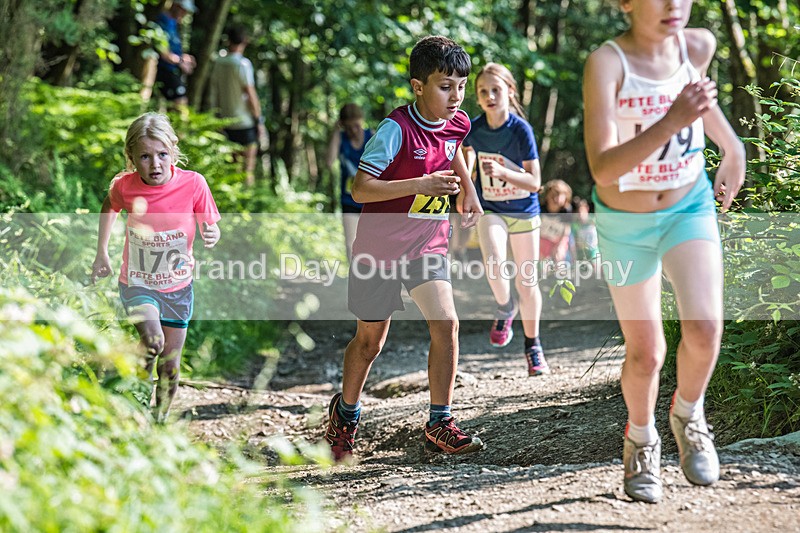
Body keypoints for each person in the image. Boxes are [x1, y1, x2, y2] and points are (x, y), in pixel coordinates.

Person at [583, 0, 745, 503]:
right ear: (626, 3)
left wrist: (732, 145)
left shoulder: (695, 45)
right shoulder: (607, 63)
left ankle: (689, 414)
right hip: (624, 223)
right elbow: (602, 168)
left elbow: (701, 101)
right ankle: (641, 439)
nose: (674, 4)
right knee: (647, 352)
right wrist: (673, 120)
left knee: (705, 328)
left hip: (687, 207)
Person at [323, 35, 484, 461]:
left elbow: (453, 149)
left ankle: (439, 422)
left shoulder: (458, 122)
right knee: (370, 342)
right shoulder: (395, 130)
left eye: (461, 86)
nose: (456, 96)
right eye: (445, 87)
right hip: (379, 249)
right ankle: (345, 416)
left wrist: (469, 189)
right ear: (418, 86)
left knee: (446, 323)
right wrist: (420, 185)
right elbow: (360, 189)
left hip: (428, 243)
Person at [91, 112, 221, 423]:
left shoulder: (194, 184)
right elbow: (109, 206)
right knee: (153, 341)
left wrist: (213, 233)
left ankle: (159, 420)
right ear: (132, 157)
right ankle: (135, 410)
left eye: (162, 154)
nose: (155, 164)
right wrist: (101, 252)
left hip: (178, 288)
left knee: (169, 366)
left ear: (173, 150)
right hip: (138, 283)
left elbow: (211, 224)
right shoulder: (125, 186)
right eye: (145, 157)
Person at [462, 62, 548, 376]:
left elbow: (535, 182)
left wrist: (502, 172)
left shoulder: (520, 130)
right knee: (494, 261)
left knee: (527, 281)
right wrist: (467, 187)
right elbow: (465, 155)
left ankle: (533, 346)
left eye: (495, 90)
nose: (489, 96)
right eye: (483, 91)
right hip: (492, 209)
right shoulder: (474, 128)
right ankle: (505, 305)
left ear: (510, 92)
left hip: (523, 209)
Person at [208, 24, 264, 186]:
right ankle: (248, 198)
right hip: (245, 122)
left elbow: (214, 93)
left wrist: (216, 118)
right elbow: (250, 94)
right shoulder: (243, 64)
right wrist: (258, 120)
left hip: (226, 121)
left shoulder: (219, 63)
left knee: (234, 170)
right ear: (245, 41)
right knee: (248, 170)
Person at [325, 103, 372, 260]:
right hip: (349, 198)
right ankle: (354, 273)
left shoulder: (371, 136)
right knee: (350, 244)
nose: (353, 130)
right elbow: (329, 162)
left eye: (356, 126)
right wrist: (336, 132)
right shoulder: (341, 138)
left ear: (362, 121)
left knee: (372, 244)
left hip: (371, 199)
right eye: (349, 127)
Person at [154, 0, 197, 108]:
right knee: (180, 103)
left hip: (173, 70)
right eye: (183, 10)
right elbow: (164, 52)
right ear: (176, 6)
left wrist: (184, 58)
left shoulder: (173, 23)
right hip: (165, 70)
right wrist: (181, 61)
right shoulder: (163, 21)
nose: (185, 14)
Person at [538, 179, 573, 266]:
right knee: (543, 263)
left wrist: (559, 245)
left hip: (558, 239)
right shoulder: (541, 209)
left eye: (560, 195)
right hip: (543, 238)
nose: (556, 199)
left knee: (559, 259)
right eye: (553, 195)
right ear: (547, 196)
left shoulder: (566, 211)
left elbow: (566, 229)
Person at [569, 197, 600, 274]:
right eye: (577, 212)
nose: (580, 214)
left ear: (587, 209)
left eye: (581, 211)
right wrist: (574, 257)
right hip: (581, 254)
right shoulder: (574, 225)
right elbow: (572, 242)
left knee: (597, 271)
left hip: (594, 252)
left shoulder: (594, 220)